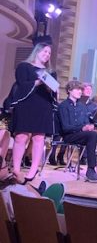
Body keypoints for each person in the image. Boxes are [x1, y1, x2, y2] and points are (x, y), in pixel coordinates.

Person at [9, 43, 57, 184]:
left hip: (43, 106)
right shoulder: (24, 66)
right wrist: (38, 82)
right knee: (21, 137)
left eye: (49, 53)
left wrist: (53, 88)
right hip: (25, 104)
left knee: (38, 138)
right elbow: (21, 84)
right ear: (37, 51)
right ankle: (16, 169)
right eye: (44, 51)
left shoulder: (51, 72)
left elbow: (53, 91)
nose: (47, 54)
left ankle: (33, 170)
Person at [58, 81, 97, 182]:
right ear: (69, 90)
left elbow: (86, 123)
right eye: (77, 89)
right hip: (70, 135)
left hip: (83, 134)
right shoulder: (63, 106)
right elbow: (65, 128)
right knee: (91, 135)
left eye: (80, 90)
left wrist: (96, 128)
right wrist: (82, 128)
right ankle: (91, 169)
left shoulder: (82, 106)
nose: (80, 92)